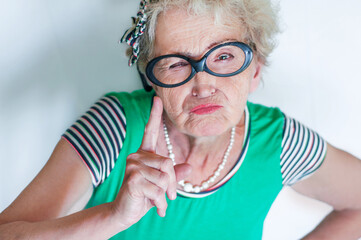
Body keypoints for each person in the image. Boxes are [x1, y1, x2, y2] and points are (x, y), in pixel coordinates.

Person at [1, 0, 361, 239]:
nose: (203, 85)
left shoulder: (280, 143)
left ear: (255, 69)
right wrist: (114, 216)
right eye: (176, 64)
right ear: (152, 81)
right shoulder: (115, 126)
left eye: (224, 57)